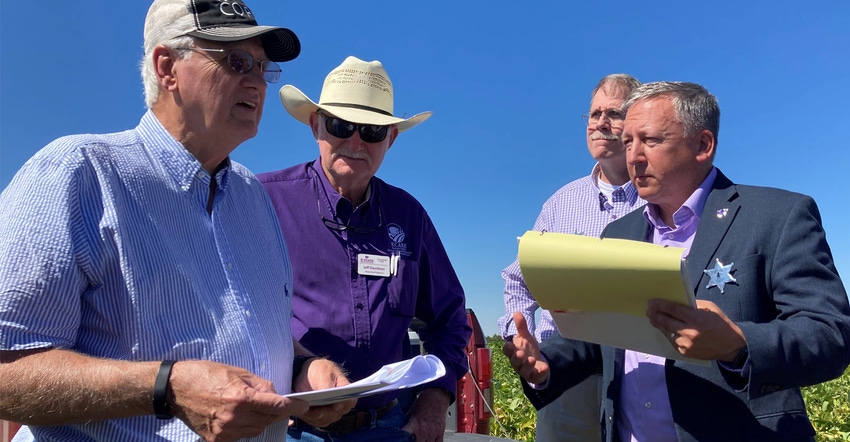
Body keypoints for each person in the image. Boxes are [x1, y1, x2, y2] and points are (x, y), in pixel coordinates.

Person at [0, 1, 355, 441]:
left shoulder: (253, 198)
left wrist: (305, 366)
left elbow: (261, 334)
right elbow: (6, 372)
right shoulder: (77, 173)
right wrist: (166, 387)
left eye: (262, 67)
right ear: (167, 67)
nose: (256, 82)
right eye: (236, 61)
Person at [504, 81, 850, 441]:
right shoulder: (617, 233)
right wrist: (546, 364)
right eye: (628, 143)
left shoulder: (777, 216)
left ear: (703, 145)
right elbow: (600, 336)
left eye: (650, 141)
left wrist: (738, 343)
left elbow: (831, 334)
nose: (634, 156)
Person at [257, 56, 472, 442]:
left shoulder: (408, 216)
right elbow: (227, 316)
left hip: (391, 427)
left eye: (372, 131)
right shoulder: (262, 202)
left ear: (390, 139)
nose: (355, 142)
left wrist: (434, 403)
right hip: (290, 430)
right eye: (341, 125)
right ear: (315, 125)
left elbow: (450, 320)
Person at [497, 74, 644, 442]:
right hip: (565, 379)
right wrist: (519, 334)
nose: (600, 122)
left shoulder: (659, 198)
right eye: (594, 114)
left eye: (613, 113)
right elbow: (519, 277)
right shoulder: (562, 203)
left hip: (640, 373)